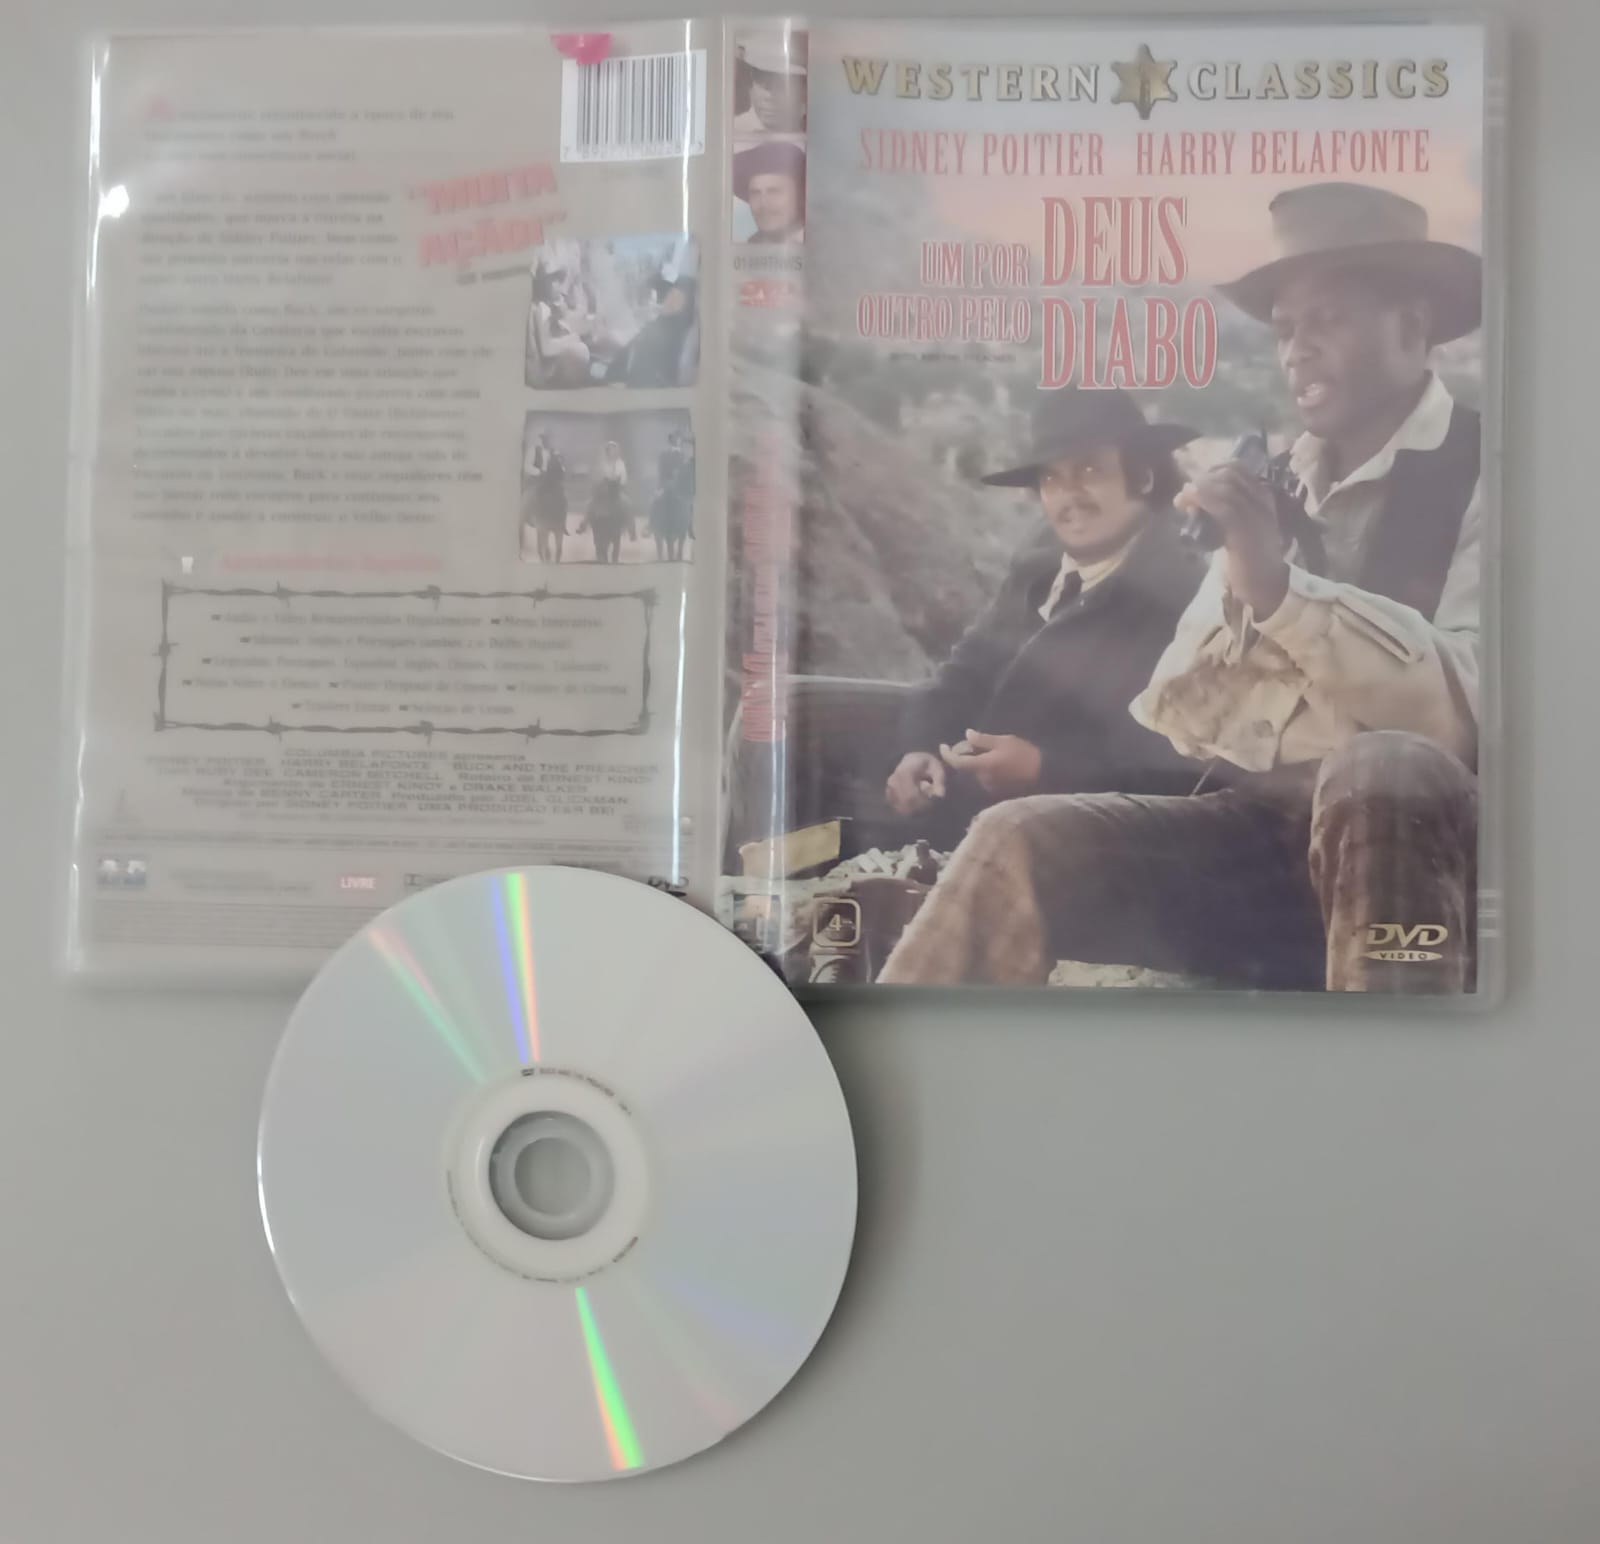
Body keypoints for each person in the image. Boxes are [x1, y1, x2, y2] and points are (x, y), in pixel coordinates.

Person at [881, 182, 1484, 995]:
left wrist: (1278, 596)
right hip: (1257, 831)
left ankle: (1393, 1066)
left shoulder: (1487, 471)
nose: (1298, 350)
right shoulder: (1274, 480)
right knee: (1017, 837)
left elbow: (1467, 710)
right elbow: (1183, 712)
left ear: (1411, 328)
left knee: (1384, 768)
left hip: (1418, 843)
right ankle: (894, 1056)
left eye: (1329, 320)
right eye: (1286, 329)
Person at [881, 387, 1208, 850]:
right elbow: (965, 672)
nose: (1069, 496)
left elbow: (1176, 773)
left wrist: (1042, 770)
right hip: (966, 812)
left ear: (1144, 476)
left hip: (1075, 845)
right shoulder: (1040, 566)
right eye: (1052, 478)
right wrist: (920, 746)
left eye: (1090, 471)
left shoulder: (1183, 594)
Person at [615, 275, 699, 388]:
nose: (670, 301)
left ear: (685, 308)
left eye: (678, 299)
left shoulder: (675, 336)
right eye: (671, 294)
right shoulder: (658, 322)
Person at [526, 261, 591, 387]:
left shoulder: (554, 307)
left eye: (558, 280)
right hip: (549, 373)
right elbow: (547, 349)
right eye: (552, 280)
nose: (557, 285)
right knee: (580, 350)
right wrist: (572, 339)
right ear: (542, 284)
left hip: (557, 367)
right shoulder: (542, 308)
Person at [733, 142, 805, 245]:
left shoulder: (822, 244)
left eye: (774, 192)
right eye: (755, 193)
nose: (764, 204)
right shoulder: (747, 248)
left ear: (800, 196)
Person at [734, 38, 807, 134]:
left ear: (802, 91)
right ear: (750, 86)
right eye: (762, 84)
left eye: (781, 86)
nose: (769, 96)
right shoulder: (734, 130)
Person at [523, 431, 569, 563]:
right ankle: (530, 517)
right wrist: (539, 471)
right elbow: (527, 466)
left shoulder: (554, 452)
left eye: (548, 439)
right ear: (540, 439)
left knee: (563, 497)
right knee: (531, 495)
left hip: (552, 480)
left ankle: (562, 522)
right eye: (544, 439)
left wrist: (561, 466)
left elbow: (562, 466)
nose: (546, 441)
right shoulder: (534, 451)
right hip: (538, 479)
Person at [649, 430, 695, 561]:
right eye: (674, 439)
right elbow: (661, 471)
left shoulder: (683, 455)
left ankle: (689, 527)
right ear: (671, 440)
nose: (677, 441)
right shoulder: (664, 455)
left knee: (689, 503)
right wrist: (662, 484)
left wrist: (681, 480)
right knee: (654, 501)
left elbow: (686, 471)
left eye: (678, 439)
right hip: (665, 483)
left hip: (679, 485)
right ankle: (651, 525)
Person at [584, 440, 631, 564]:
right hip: (603, 488)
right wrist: (603, 481)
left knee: (627, 503)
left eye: (614, 450)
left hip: (616, 488)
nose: (612, 452)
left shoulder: (620, 463)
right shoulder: (602, 464)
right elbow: (597, 476)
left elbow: (624, 477)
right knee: (591, 503)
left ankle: (631, 528)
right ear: (607, 451)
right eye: (610, 450)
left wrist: (619, 481)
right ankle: (584, 522)